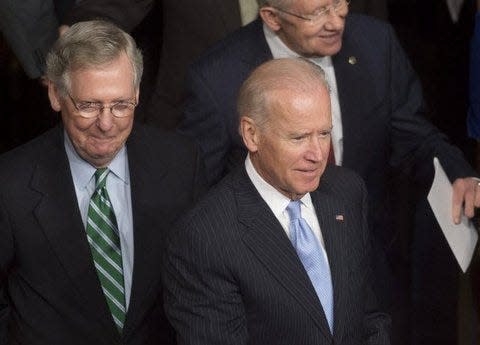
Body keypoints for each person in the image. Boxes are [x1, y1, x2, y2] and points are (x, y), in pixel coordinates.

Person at [177, 0, 480, 343]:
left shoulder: (376, 43)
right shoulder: (218, 78)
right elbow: (197, 187)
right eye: (317, 12)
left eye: (339, 3)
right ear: (272, 17)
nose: (336, 21)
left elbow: (413, 134)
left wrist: (458, 172)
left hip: (371, 265)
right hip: (270, 287)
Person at [0, 20, 205, 345]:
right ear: (56, 94)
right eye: (89, 106)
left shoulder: (181, 163)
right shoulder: (10, 183)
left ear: (137, 93)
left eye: (122, 105)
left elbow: (201, 282)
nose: (106, 124)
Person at [163, 58, 391, 345]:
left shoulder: (347, 191)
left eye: (324, 134)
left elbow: (367, 316)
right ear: (252, 134)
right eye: (298, 138)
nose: (318, 154)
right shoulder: (203, 238)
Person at [62, 0, 388, 129]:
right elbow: (99, 15)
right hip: (201, 135)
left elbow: (368, 32)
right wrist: (83, 59)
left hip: (318, 136)